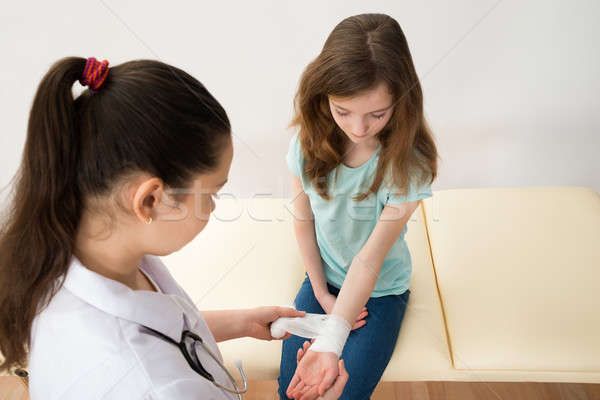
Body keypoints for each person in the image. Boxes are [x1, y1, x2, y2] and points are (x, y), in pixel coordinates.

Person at [0, 56, 348, 399]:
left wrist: (242, 322)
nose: (213, 206)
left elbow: (160, 330)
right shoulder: (154, 387)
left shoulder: (76, 260)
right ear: (150, 200)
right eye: (211, 192)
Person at [278, 13, 439, 400]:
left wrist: (334, 333)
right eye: (343, 111)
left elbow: (369, 261)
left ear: (402, 102)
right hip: (322, 280)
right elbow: (303, 220)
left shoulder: (408, 164)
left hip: (381, 291)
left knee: (342, 395)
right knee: (291, 393)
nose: (359, 128)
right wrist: (320, 291)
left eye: (377, 114)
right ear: (324, 98)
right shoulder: (308, 144)